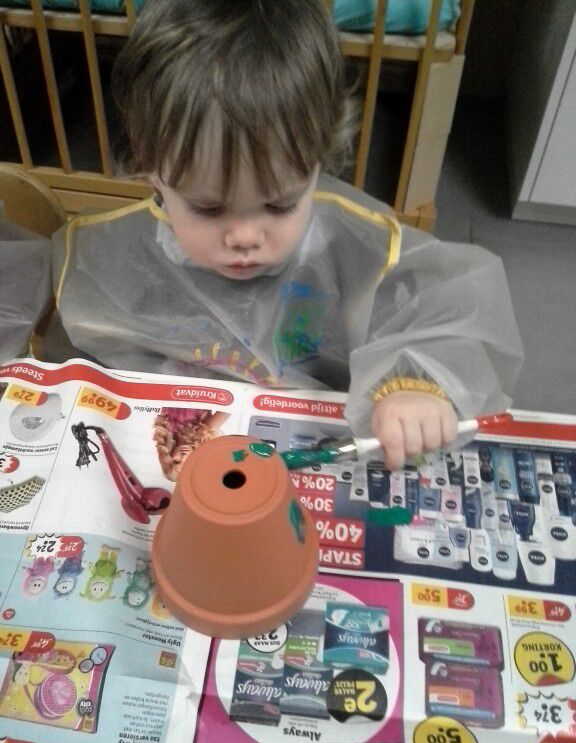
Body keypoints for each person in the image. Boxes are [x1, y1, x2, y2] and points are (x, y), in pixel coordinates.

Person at [52, 0, 523, 470]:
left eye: (280, 205)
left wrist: (413, 387)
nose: (244, 236)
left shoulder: (351, 244)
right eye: (208, 208)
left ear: (319, 163)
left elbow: (447, 315)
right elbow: (77, 348)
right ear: (151, 168)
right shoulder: (119, 254)